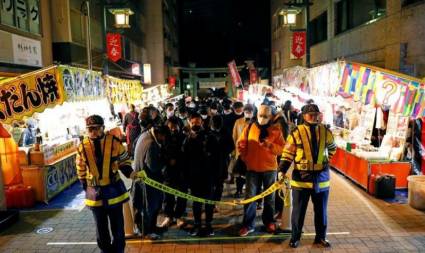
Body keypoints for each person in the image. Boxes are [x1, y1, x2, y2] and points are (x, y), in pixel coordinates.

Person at [76, 115, 137, 253]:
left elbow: (124, 161)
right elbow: (80, 169)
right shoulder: (82, 147)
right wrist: (86, 187)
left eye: (96, 128)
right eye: (90, 129)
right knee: (101, 229)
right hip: (95, 194)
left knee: (118, 227)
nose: (93, 132)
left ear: (103, 128)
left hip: (113, 190)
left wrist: (132, 174)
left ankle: (119, 251)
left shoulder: (114, 143)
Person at [279, 104, 337, 248]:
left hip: (322, 179)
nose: (314, 117)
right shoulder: (296, 133)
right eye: (311, 115)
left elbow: (332, 148)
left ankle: (321, 237)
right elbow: (287, 154)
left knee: (321, 212)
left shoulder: (326, 131)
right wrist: (281, 170)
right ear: (304, 116)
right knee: (298, 212)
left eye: (316, 114)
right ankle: (295, 238)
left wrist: (324, 161)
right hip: (301, 179)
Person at [237, 104, 285, 237]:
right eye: (260, 115)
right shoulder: (250, 127)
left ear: (271, 117)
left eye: (265, 116)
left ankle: (269, 221)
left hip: (270, 169)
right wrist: (245, 157)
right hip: (252, 168)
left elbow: (282, 148)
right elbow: (241, 143)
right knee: (250, 197)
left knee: (270, 198)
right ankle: (248, 224)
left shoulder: (276, 130)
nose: (262, 118)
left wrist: (270, 145)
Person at [132, 125, 169, 240]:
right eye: (163, 137)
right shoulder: (151, 144)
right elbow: (153, 166)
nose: (164, 139)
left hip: (140, 179)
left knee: (142, 206)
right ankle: (148, 232)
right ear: (158, 134)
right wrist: (165, 160)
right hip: (149, 183)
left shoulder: (144, 135)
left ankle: (145, 228)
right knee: (150, 207)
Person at [182, 112, 214, 236]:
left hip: (208, 175)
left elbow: (214, 154)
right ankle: (197, 224)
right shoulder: (186, 138)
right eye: (193, 122)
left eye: (198, 122)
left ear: (202, 122)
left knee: (209, 202)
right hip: (194, 176)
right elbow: (184, 155)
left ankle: (209, 224)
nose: (195, 124)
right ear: (189, 123)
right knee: (196, 202)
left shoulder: (208, 136)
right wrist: (189, 139)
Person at [160, 117, 188, 228]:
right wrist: (168, 161)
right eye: (170, 127)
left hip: (181, 171)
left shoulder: (184, 137)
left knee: (182, 195)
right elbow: (161, 154)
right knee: (168, 195)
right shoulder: (163, 138)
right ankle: (168, 216)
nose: (172, 130)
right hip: (167, 172)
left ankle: (179, 216)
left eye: (174, 127)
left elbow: (187, 154)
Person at [207, 115, 234, 210]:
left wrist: (223, 152)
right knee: (209, 184)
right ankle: (208, 203)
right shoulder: (207, 132)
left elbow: (231, 146)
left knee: (219, 184)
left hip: (222, 162)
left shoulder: (225, 131)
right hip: (208, 163)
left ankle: (215, 203)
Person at [231, 104, 254, 197]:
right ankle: (239, 190)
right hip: (240, 152)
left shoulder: (256, 123)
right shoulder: (238, 122)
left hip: (252, 153)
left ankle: (249, 191)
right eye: (246, 112)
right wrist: (234, 151)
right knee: (239, 173)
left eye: (250, 112)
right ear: (244, 112)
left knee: (250, 173)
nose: (248, 114)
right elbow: (234, 136)